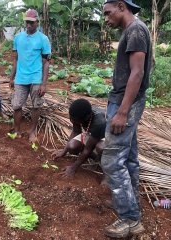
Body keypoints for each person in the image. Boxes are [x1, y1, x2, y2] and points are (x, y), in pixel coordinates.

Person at [101, 0, 151, 238]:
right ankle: (129, 205)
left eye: (108, 12)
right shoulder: (133, 30)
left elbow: (138, 72)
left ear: (121, 6)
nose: (106, 18)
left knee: (111, 160)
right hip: (124, 101)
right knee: (128, 158)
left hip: (124, 104)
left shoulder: (135, 30)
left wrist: (122, 111)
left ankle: (130, 219)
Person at [9, 9, 51, 143]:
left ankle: (32, 131)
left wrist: (44, 84)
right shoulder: (18, 38)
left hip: (36, 78)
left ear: (37, 22)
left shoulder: (43, 39)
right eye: (27, 22)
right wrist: (11, 77)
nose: (28, 25)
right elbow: (15, 59)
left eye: (31, 23)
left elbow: (46, 63)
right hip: (21, 78)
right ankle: (17, 130)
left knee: (36, 106)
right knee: (16, 106)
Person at [52, 99, 105, 177]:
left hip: (107, 135)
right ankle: (94, 157)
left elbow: (87, 149)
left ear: (86, 118)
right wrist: (64, 151)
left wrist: (73, 168)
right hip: (93, 134)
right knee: (72, 146)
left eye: (74, 120)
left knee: (100, 147)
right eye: (71, 118)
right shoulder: (78, 114)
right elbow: (76, 131)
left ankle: (106, 167)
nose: (71, 120)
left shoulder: (99, 122)